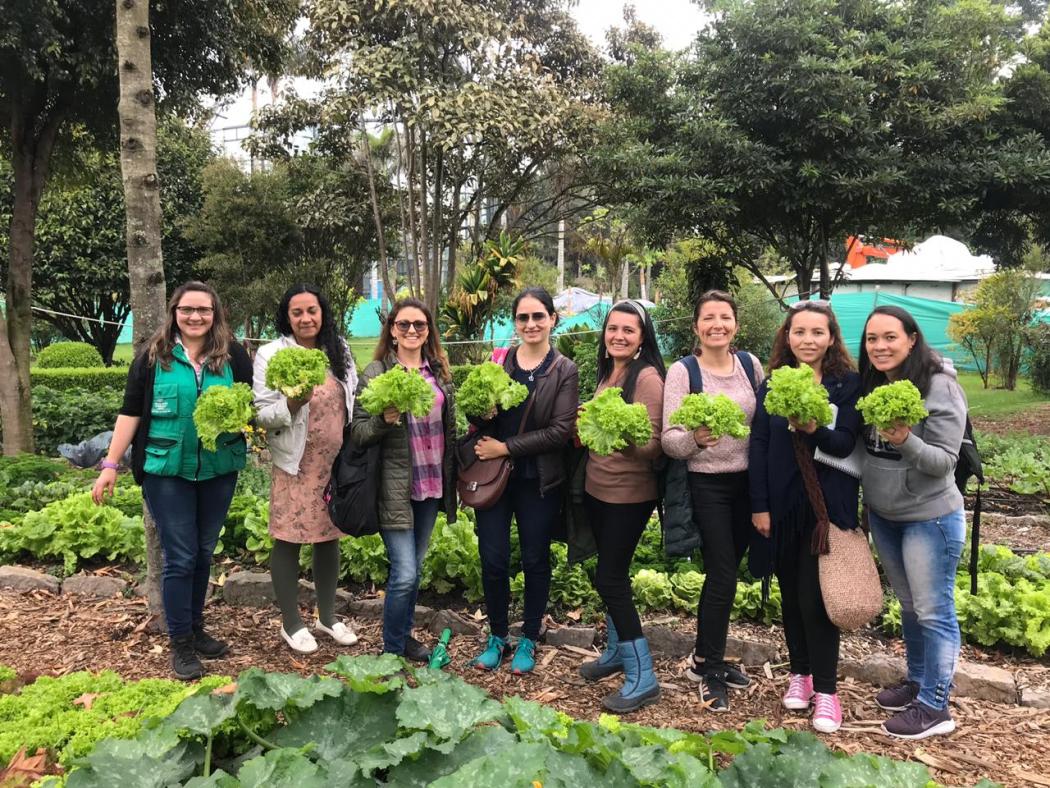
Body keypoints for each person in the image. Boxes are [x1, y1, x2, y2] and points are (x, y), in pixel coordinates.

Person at [91, 282, 252, 680]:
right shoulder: (152, 355)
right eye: (187, 309)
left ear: (216, 314)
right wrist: (111, 464)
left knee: (202, 552)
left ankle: (196, 629)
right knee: (180, 557)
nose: (195, 317)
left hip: (218, 470)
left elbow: (250, 404)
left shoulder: (232, 355)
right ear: (174, 312)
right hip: (167, 471)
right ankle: (180, 643)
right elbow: (131, 413)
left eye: (204, 310)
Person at [749, 301, 862, 734]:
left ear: (831, 337)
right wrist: (760, 506)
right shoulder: (773, 383)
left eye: (817, 332)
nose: (808, 340)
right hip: (781, 508)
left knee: (817, 602)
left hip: (823, 512)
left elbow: (845, 444)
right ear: (787, 337)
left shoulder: (846, 385)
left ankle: (828, 693)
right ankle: (801, 674)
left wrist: (814, 427)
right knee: (792, 599)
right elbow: (759, 445)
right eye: (799, 332)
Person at [859, 305, 968, 740]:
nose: (880, 346)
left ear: (911, 339)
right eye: (872, 339)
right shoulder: (876, 382)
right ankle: (919, 682)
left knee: (934, 610)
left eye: (889, 337)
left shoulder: (938, 385)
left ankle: (935, 706)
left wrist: (905, 439)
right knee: (908, 606)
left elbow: (944, 462)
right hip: (886, 516)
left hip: (930, 518)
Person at [661, 290, 763, 712]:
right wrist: (695, 439)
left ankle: (703, 657)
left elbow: (766, 422)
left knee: (729, 573)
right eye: (709, 318)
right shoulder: (684, 372)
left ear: (735, 324)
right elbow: (669, 439)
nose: (717, 324)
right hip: (707, 485)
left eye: (725, 317)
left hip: (749, 484)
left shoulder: (750, 365)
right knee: (721, 572)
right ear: (696, 326)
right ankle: (710, 668)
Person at [469, 287, 579, 674]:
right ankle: (497, 636)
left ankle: (529, 638)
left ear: (552, 319)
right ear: (515, 323)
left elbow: (560, 431)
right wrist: (480, 412)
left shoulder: (564, 369)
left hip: (539, 480)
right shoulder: (499, 363)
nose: (531, 324)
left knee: (535, 559)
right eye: (523, 318)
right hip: (494, 480)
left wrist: (505, 448)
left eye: (538, 316)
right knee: (493, 558)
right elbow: (480, 420)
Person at [253, 284, 359, 653]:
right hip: (295, 463)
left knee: (328, 535)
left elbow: (352, 399)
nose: (305, 318)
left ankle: (327, 617)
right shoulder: (270, 354)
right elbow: (262, 413)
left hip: (333, 462)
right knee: (289, 537)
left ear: (322, 312)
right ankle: (291, 623)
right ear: (287, 317)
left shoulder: (339, 349)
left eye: (311, 310)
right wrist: (293, 403)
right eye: (297, 312)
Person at [351, 298, 457, 663]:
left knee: (415, 569)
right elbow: (358, 432)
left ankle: (403, 636)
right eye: (404, 325)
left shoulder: (440, 372)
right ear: (392, 331)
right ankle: (392, 651)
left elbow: (450, 428)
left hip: (431, 485)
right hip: (393, 488)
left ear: (428, 331)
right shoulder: (376, 373)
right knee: (404, 573)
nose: (412, 331)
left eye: (420, 325)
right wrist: (385, 420)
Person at [578, 300, 665, 712]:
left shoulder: (646, 377)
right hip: (598, 489)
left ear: (642, 337)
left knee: (611, 579)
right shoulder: (610, 371)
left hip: (628, 496)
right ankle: (615, 651)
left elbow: (653, 446)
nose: (619, 336)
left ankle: (642, 675)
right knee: (609, 574)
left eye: (628, 330)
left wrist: (619, 432)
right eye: (613, 328)